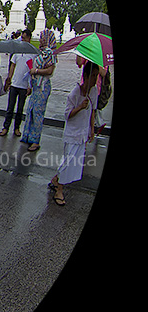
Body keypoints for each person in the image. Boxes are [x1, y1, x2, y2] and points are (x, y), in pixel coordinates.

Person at [49, 60, 99, 206]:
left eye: (97, 76)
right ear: (86, 75)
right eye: (93, 75)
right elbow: (67, 115)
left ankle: (56, 180)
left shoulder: (94, 91)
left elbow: (93, 111)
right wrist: (79, 107)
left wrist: (92, 129)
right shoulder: (74, 93)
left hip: (82, 133)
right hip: (72, 134)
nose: (95, 79)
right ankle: (59, 190)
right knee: (67, 162)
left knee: (74, 163)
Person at [21, 29, 57, 151]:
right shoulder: (40, 52)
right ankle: (28, 136)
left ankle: (35, 140)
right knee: (31, 110)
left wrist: (36, 71)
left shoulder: (50, 53)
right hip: (36, 86)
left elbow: (50, 71)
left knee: (38, 112)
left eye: (42, 38)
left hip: (43, 86)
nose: (40, 39)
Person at [0, 28, 33, 137]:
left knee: (20, 109)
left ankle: (17, 128)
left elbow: (32, 71)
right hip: (14, 83)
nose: (22, 40)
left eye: (24, 38)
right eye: (22, 38)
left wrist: (30, 85)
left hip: (24, 85)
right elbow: (12, 65)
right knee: (10, 108)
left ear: (29, 39)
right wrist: (9, 78)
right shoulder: (17, 51)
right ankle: (6, 127)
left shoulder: (32, 54)